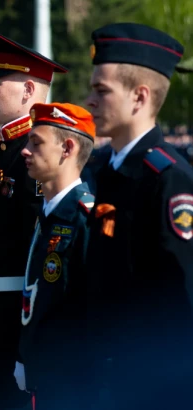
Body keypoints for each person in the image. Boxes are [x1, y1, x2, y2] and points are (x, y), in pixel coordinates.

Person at [84, 23, 193, 410]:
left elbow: (180, 298)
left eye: (101, 91)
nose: (89, 101)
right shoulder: (105, 170)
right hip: (106, 372)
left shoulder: (168, 179)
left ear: (139, 97)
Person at [0, 29, 68, 410]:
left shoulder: (37, 154)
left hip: (12, 329)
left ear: (27, 90)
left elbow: (45, 257)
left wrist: (31, 343)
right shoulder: (7, 150)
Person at [15, 103, 96, 409]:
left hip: (73, 378)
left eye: (36, 143)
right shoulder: (48, 214)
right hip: (44, 375)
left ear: (67, 149)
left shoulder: (84, 218)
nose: (25, 150)